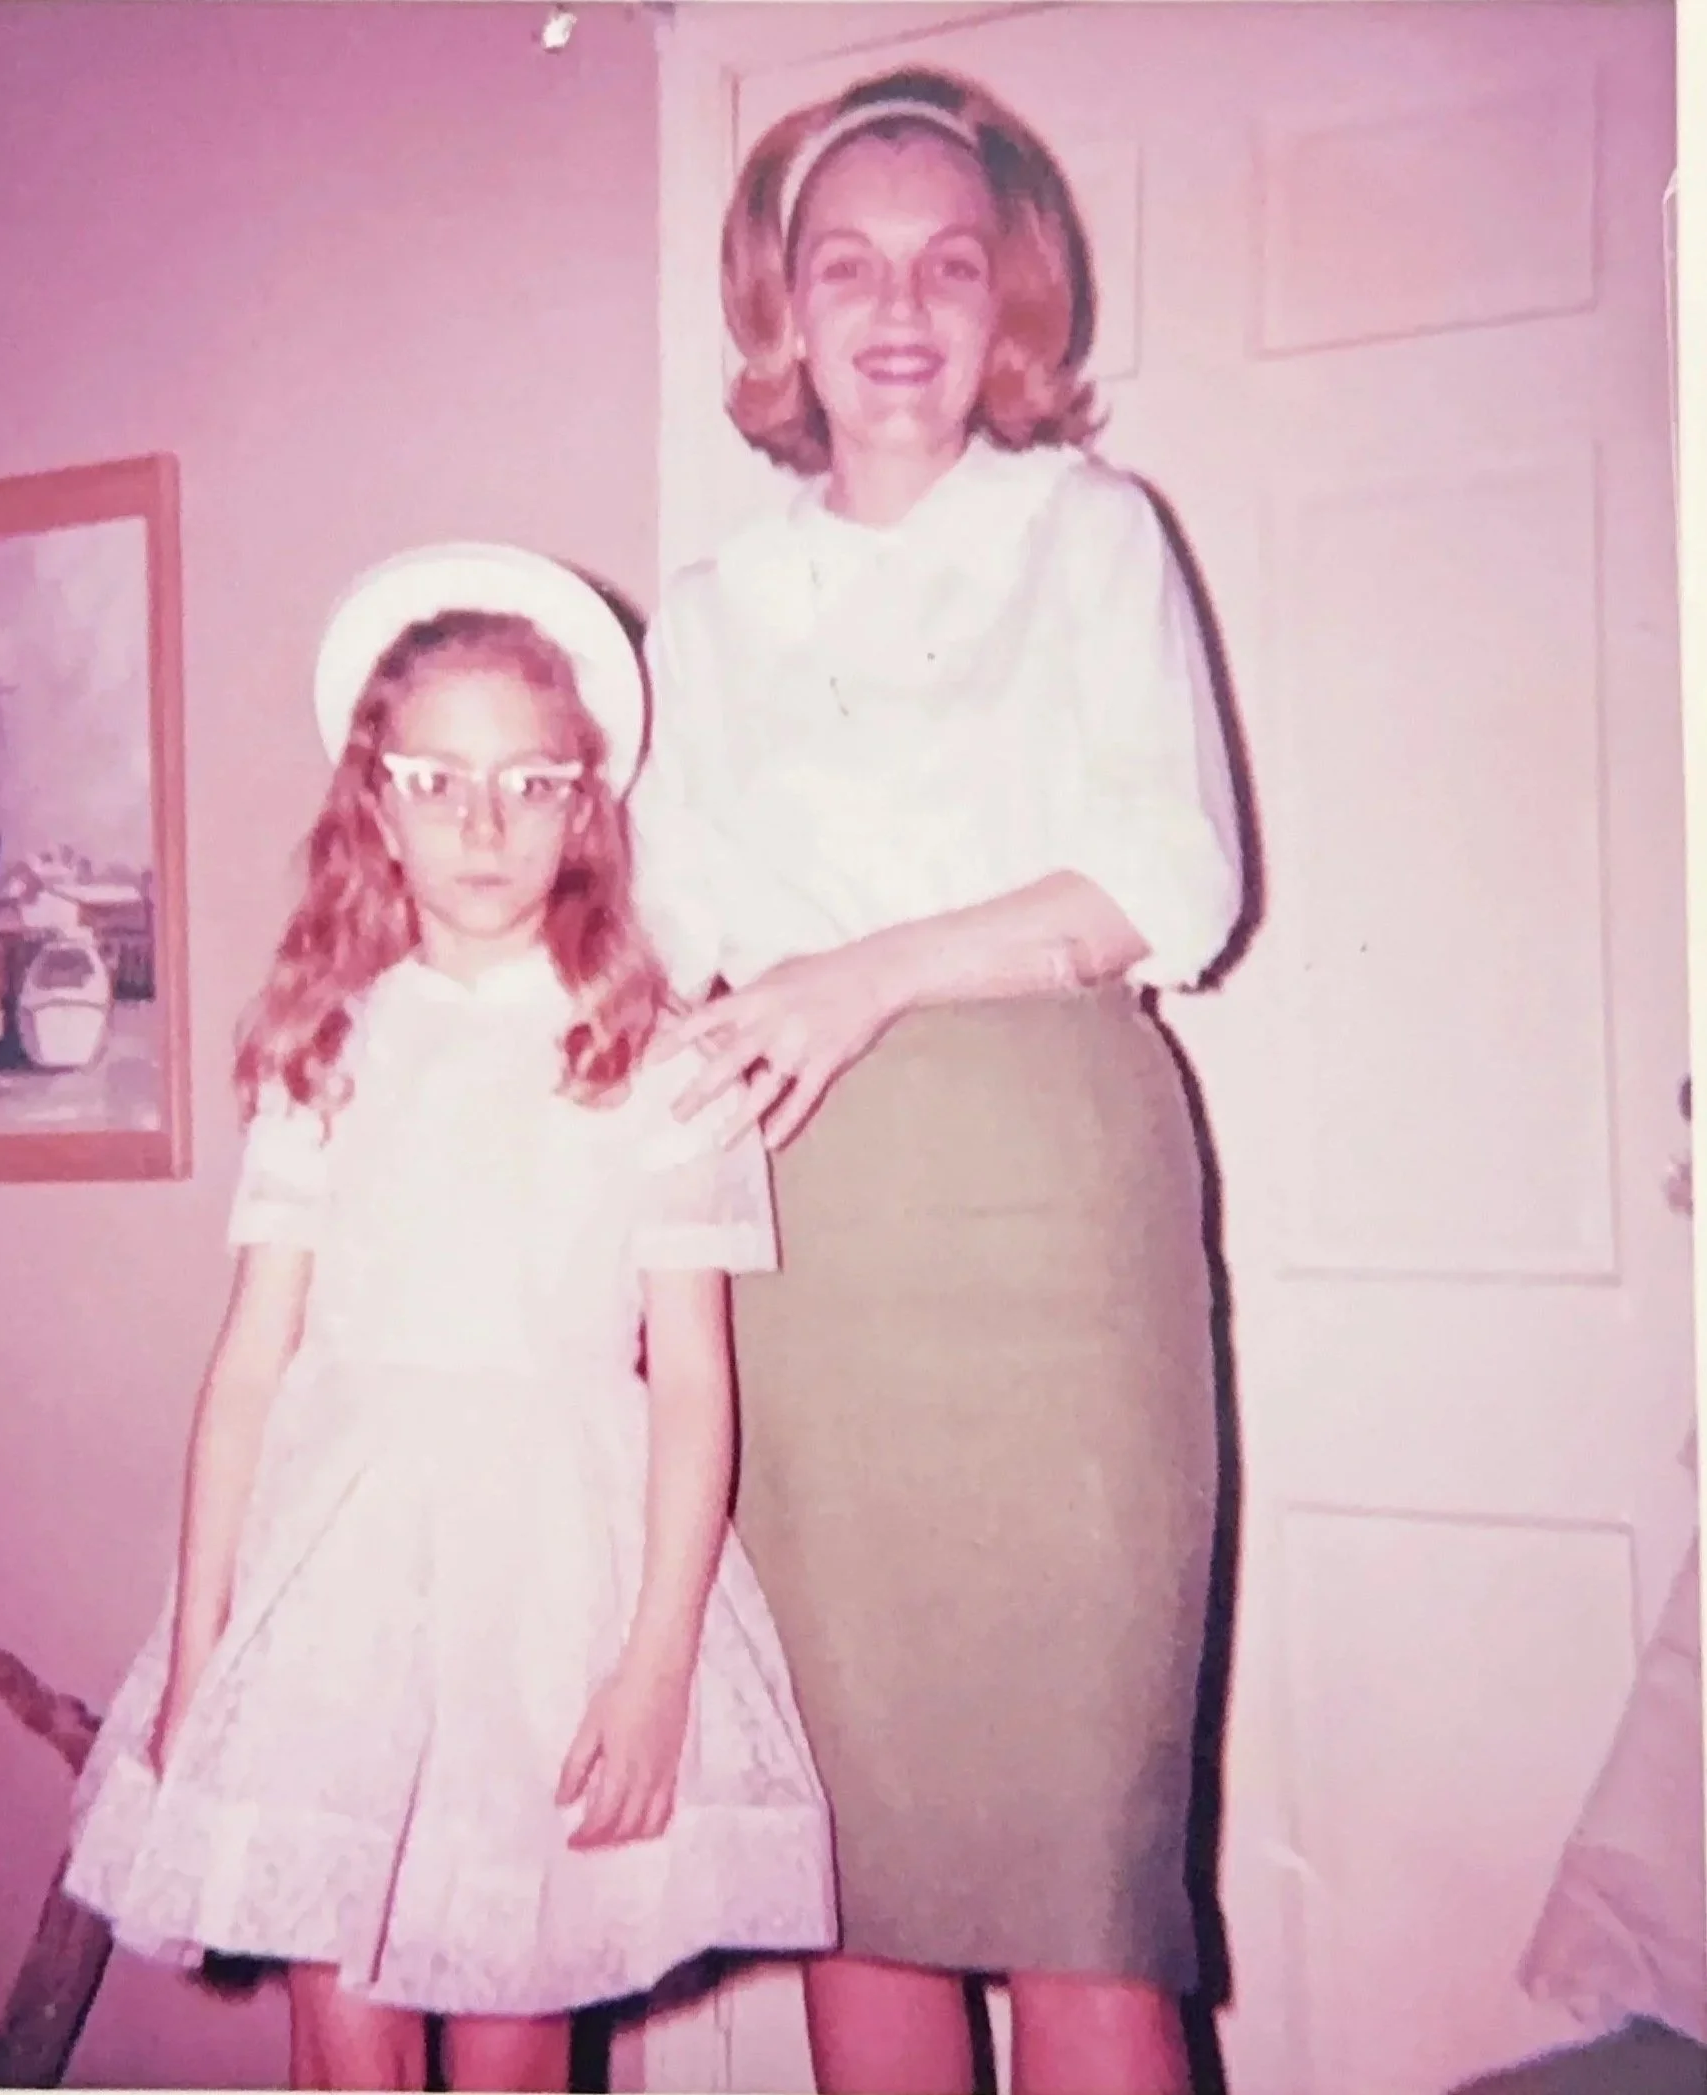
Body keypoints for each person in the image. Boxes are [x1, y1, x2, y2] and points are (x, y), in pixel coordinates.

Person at [629, 64, 1247, 2095]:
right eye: (848, 267)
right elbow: (670, 954)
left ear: (1011, 314)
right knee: (859, 1879)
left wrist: (868, 973)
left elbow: (1178, 878)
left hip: (1057, 1232)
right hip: (809, 1250)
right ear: (782, 314)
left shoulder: (1087, 533)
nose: (899, 311)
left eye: (949, 267)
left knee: (1082, 1893)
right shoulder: (707, 619)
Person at [65, 543, 836, 2093]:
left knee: (516, 2016)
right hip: (338, 1575)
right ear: (376, 802)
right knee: (339, 2029)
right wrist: (208, 1626)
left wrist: (657, 1660)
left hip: (558, 1586)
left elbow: (690, 1385)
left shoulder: (659, 1054)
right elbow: (248, 1364)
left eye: (529, 781)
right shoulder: (324, 1041)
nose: (481, 822)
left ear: (585, 804)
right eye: (435, 779)